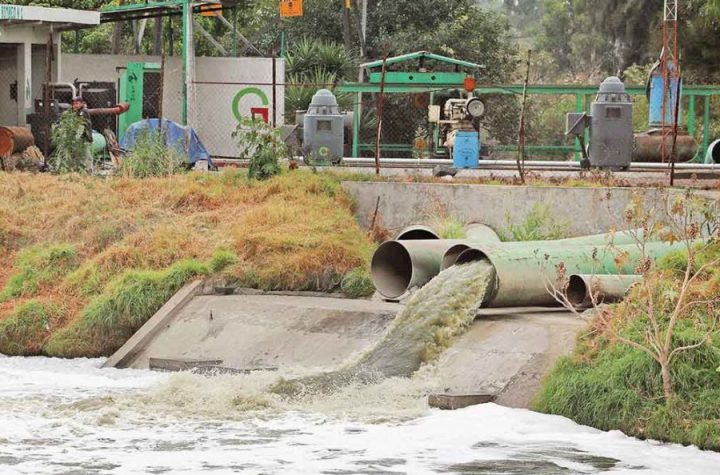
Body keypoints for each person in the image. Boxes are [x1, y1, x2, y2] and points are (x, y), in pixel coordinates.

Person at [71, 96, 94, 172]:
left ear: (82, 103)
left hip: (85, 137)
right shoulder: (76, 112)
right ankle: (79, 170)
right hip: (80, 138)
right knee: (78, 155)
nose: (75, 105)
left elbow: (81, 125)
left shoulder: (83, 111)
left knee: (86, 155)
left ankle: (89, 171)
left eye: (77, 103)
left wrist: (76, 137)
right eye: (74, 104)